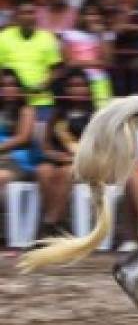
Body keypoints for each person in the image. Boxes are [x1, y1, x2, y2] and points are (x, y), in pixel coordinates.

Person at [36, 69, 95, 235]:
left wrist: (72, 158)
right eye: (73, 86)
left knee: (66, 172)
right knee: (43, 171)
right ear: (66, 89)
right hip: (58, 160)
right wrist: (55, 155)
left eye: (82, 85)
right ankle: (59, 224)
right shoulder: (57, 114)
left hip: (85, 163)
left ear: (88, 89)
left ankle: (49, 224)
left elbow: (99, 148)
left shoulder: (96, 115)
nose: (78, 90)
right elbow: (46, 146)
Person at [0, 0, 62, 111]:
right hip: (11, 101)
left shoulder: (47, 37)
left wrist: (42, 86)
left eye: (31, 12)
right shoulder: (3, 37)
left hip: (41, 100)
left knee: (41, 129)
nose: (28, 17)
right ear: (16, 16)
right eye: (24, 13)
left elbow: (56, 69)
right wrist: (9, 88)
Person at [0, 69, 38, 198]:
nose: (9, 89)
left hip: (17, 161)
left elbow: (23, 138)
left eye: (12, 85)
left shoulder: (26, 110)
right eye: (4, 86)